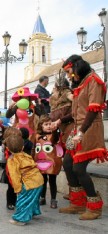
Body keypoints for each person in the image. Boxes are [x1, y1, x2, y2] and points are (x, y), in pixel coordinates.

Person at [53, 54, 106, 220]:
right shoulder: (80, 84)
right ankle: (78, 202)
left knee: (78, 168)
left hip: (90, 129)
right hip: (78, 129)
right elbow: (76, 113)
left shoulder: (93, 81)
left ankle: (95, 206)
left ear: (77, 67)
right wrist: (60, 121)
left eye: (69, 72)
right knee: (68, 163)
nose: (69, 76)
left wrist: (81, 132)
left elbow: (93, 110)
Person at [3, 127, 43, 225]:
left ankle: (20, 219)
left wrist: (18, 189)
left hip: (29, 183)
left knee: (23, 200)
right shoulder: (25, 155)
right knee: (33, 198)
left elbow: (15, 176)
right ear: (22, 147)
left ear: (7, 148)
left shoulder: (12, 160)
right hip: (39, 180)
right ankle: (33, 212)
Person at [33, 115, 62, 209]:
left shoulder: (53, 136)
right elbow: (34, 148)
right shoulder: (37, 136)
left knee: (52, 181)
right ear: (41, 126)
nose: (49, 126)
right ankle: (42, 197)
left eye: (50, 124)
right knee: (43, 181)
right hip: (40, 162)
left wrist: (55, 129)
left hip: (52, 162)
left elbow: (56, 137)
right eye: (46, 124)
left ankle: (53, 199)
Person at [0, 127, 33, 210]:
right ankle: (10, 202)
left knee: (19, 186)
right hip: (11, 170)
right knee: (11, 187)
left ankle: (17, 201)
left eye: (19, 136)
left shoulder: (22, 143)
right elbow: (6, 158)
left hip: (20, 168)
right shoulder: (7, 146)